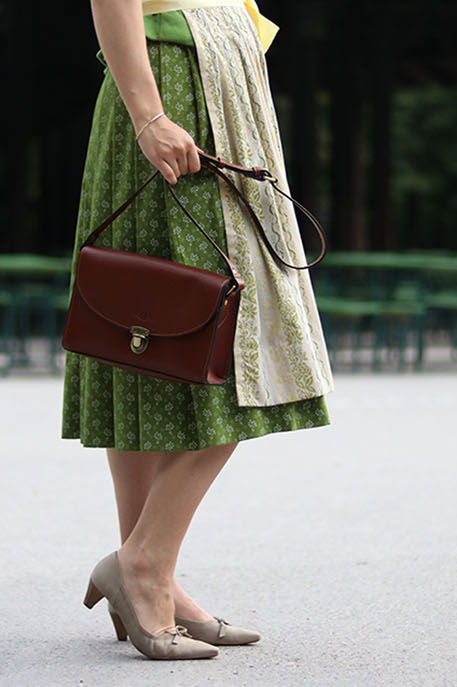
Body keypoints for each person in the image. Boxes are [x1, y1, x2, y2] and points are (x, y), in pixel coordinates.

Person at [64, 0, 336, 661]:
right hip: (174, 89)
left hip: (219, 85)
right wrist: (150, 113)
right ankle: (147, 566)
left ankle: (147, 569)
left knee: (160, 345)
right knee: (229, 341)